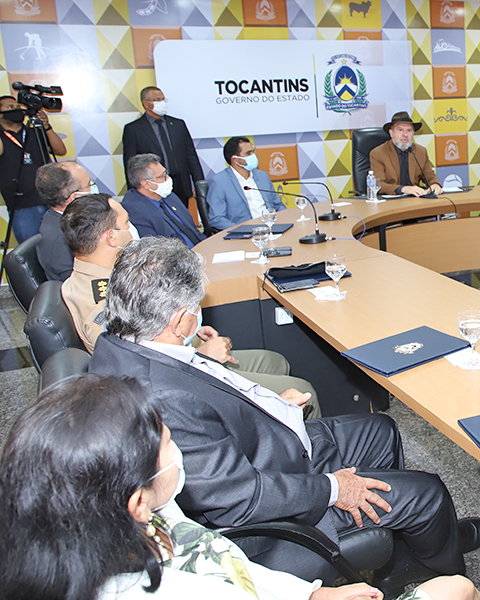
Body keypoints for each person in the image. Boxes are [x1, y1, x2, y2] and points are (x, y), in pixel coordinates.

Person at [88, 237, 480, 583]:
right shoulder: (160, 394)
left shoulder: (129, 345)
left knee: (381, 430)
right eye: (197, 307)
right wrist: (335, 489)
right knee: (429, 492)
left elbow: (211, 406)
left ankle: (408, 546)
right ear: (180, 321)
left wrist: (270, 405)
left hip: (267, 447)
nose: (201, 313)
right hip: (271, 516)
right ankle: (442, 574)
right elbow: (239, 497)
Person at [0, 373, 480, 600]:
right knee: (457, 589)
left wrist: (310, 596)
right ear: (137, 501)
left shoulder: (132, 521)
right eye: (169, 445)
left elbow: (220, 559)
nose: (182, 452)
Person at [60, 194, 321, 417]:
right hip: (182, 379)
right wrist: (202, 354)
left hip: (185, 353)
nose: (132, 229)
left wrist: (190, 332)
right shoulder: (100, 298)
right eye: (126, 223)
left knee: (274, 362)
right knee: (303, 390)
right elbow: (137, 369)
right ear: (111, 238)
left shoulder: (110, 275)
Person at [0, 95, 67, 243]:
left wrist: (46, 126)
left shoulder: (34, 131)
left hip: (49, 199)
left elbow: (60, 150)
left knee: (59, 245)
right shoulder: (2, 137)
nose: (16, 110)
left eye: (18, 107)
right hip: (21, 205)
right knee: (31, 249)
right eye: (10, 107)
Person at [122, 86, 204, 206]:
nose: (162, 103)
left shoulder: (178, 124)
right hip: (154, 187)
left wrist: (200, 184)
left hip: (181, 185)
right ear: (146, 103)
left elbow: (191, 156)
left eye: (163, 99)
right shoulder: (133, 129)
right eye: (157, 100)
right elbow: (131, 165)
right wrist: (136, 192)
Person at [122, 154, 206, 248]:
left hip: (200, 249)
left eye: (166, 173)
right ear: (146, 184)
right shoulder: (133, 211)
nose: (168, 179)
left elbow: (194, 231)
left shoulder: (169, 196)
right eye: (162, 176)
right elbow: (154, 250)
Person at [34, 161, 99, 281]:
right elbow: (80, 283)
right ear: (74, 197)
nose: (93, 188)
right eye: (89, 184)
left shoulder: (74, 219)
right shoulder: (60, 240)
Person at [206, 136, 285, 231]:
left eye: (253, 152)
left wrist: (284, 222)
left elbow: (278, 205)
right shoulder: (219, 181)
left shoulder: (262, 176)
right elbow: (217, 219)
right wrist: (242, 230)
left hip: (272, 229)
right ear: (235, 159)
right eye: (248, 153)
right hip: (244, 233)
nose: (253, 156)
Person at [370, 112, 442, 197]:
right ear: (391, 133)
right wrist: (403, 189)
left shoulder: (420, 151)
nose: (405, 134)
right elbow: (378, 185)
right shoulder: (378, 153)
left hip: (415, 199)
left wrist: (435, 184)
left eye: (409, 130)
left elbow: (429, 175)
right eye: (400, 130)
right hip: (391, 200)